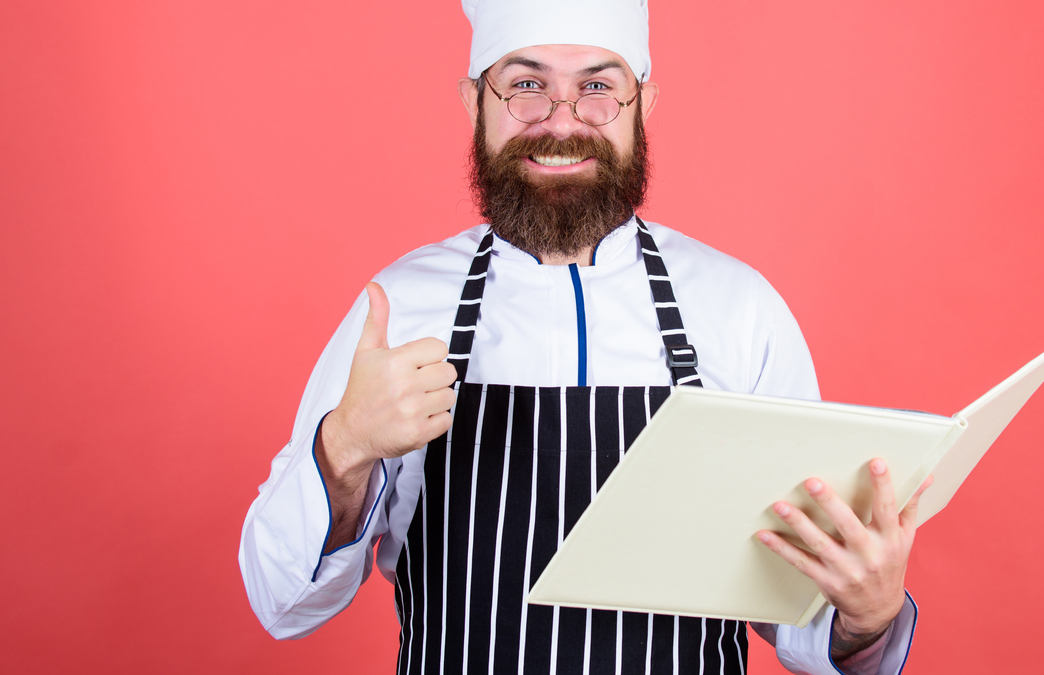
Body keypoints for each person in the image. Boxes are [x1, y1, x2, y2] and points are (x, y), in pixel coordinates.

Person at [239, 1, 931, 673]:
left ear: (643, 105)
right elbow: (283, 602)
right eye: (526, 86)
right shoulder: (400, 308)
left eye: (598, 87)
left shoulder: (737, 308)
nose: (562, 121)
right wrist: (345, 447)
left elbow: (797, 614)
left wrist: (865, 616)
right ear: (474, 100)